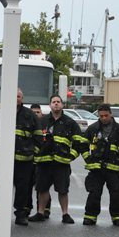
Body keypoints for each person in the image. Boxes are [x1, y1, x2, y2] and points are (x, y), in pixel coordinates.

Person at [0, 89, 43, 225]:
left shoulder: (30, 115)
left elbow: (38, 136)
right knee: (2, 188)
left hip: (24, 161)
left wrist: (33, 152)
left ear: (22, 98)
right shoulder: (0, 113)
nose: (16, 99)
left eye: (18, 97)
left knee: (23, 189)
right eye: (13, 97)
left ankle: (20, 214)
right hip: (3, 160)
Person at [29, 95, 86, 224]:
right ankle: (40, 212)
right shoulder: (41, 122)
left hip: (62, 163)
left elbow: (78, 143)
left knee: (63, 190)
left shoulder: (70, 123)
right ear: (49, 105)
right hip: (44, 162)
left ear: (62, 105)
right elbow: (34, 140)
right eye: (53, 102)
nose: (56, 104)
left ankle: (65, 214)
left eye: (58, 102)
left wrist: (72, 156)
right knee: (42, 189)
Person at [80, 104, 119, 226]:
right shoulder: (92, 129)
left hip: (114, 169)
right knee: (94, 193)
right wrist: (89, 160)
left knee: (116, 194)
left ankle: (118, 217)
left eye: (106, 116)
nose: (103, 118)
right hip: (96, 169)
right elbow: (83, 145)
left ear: (111, 113)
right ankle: (90, 216)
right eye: (101, 116)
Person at [26, 103, 51, 218]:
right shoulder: (26, 124)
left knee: (42, 186)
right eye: (33, 112)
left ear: (41, 113)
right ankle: (26, 208)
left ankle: (44, 209)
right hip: (28, 160)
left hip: (42, 161)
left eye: (38, 112)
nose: (36, 114)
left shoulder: (47, 125)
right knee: (26, 185)